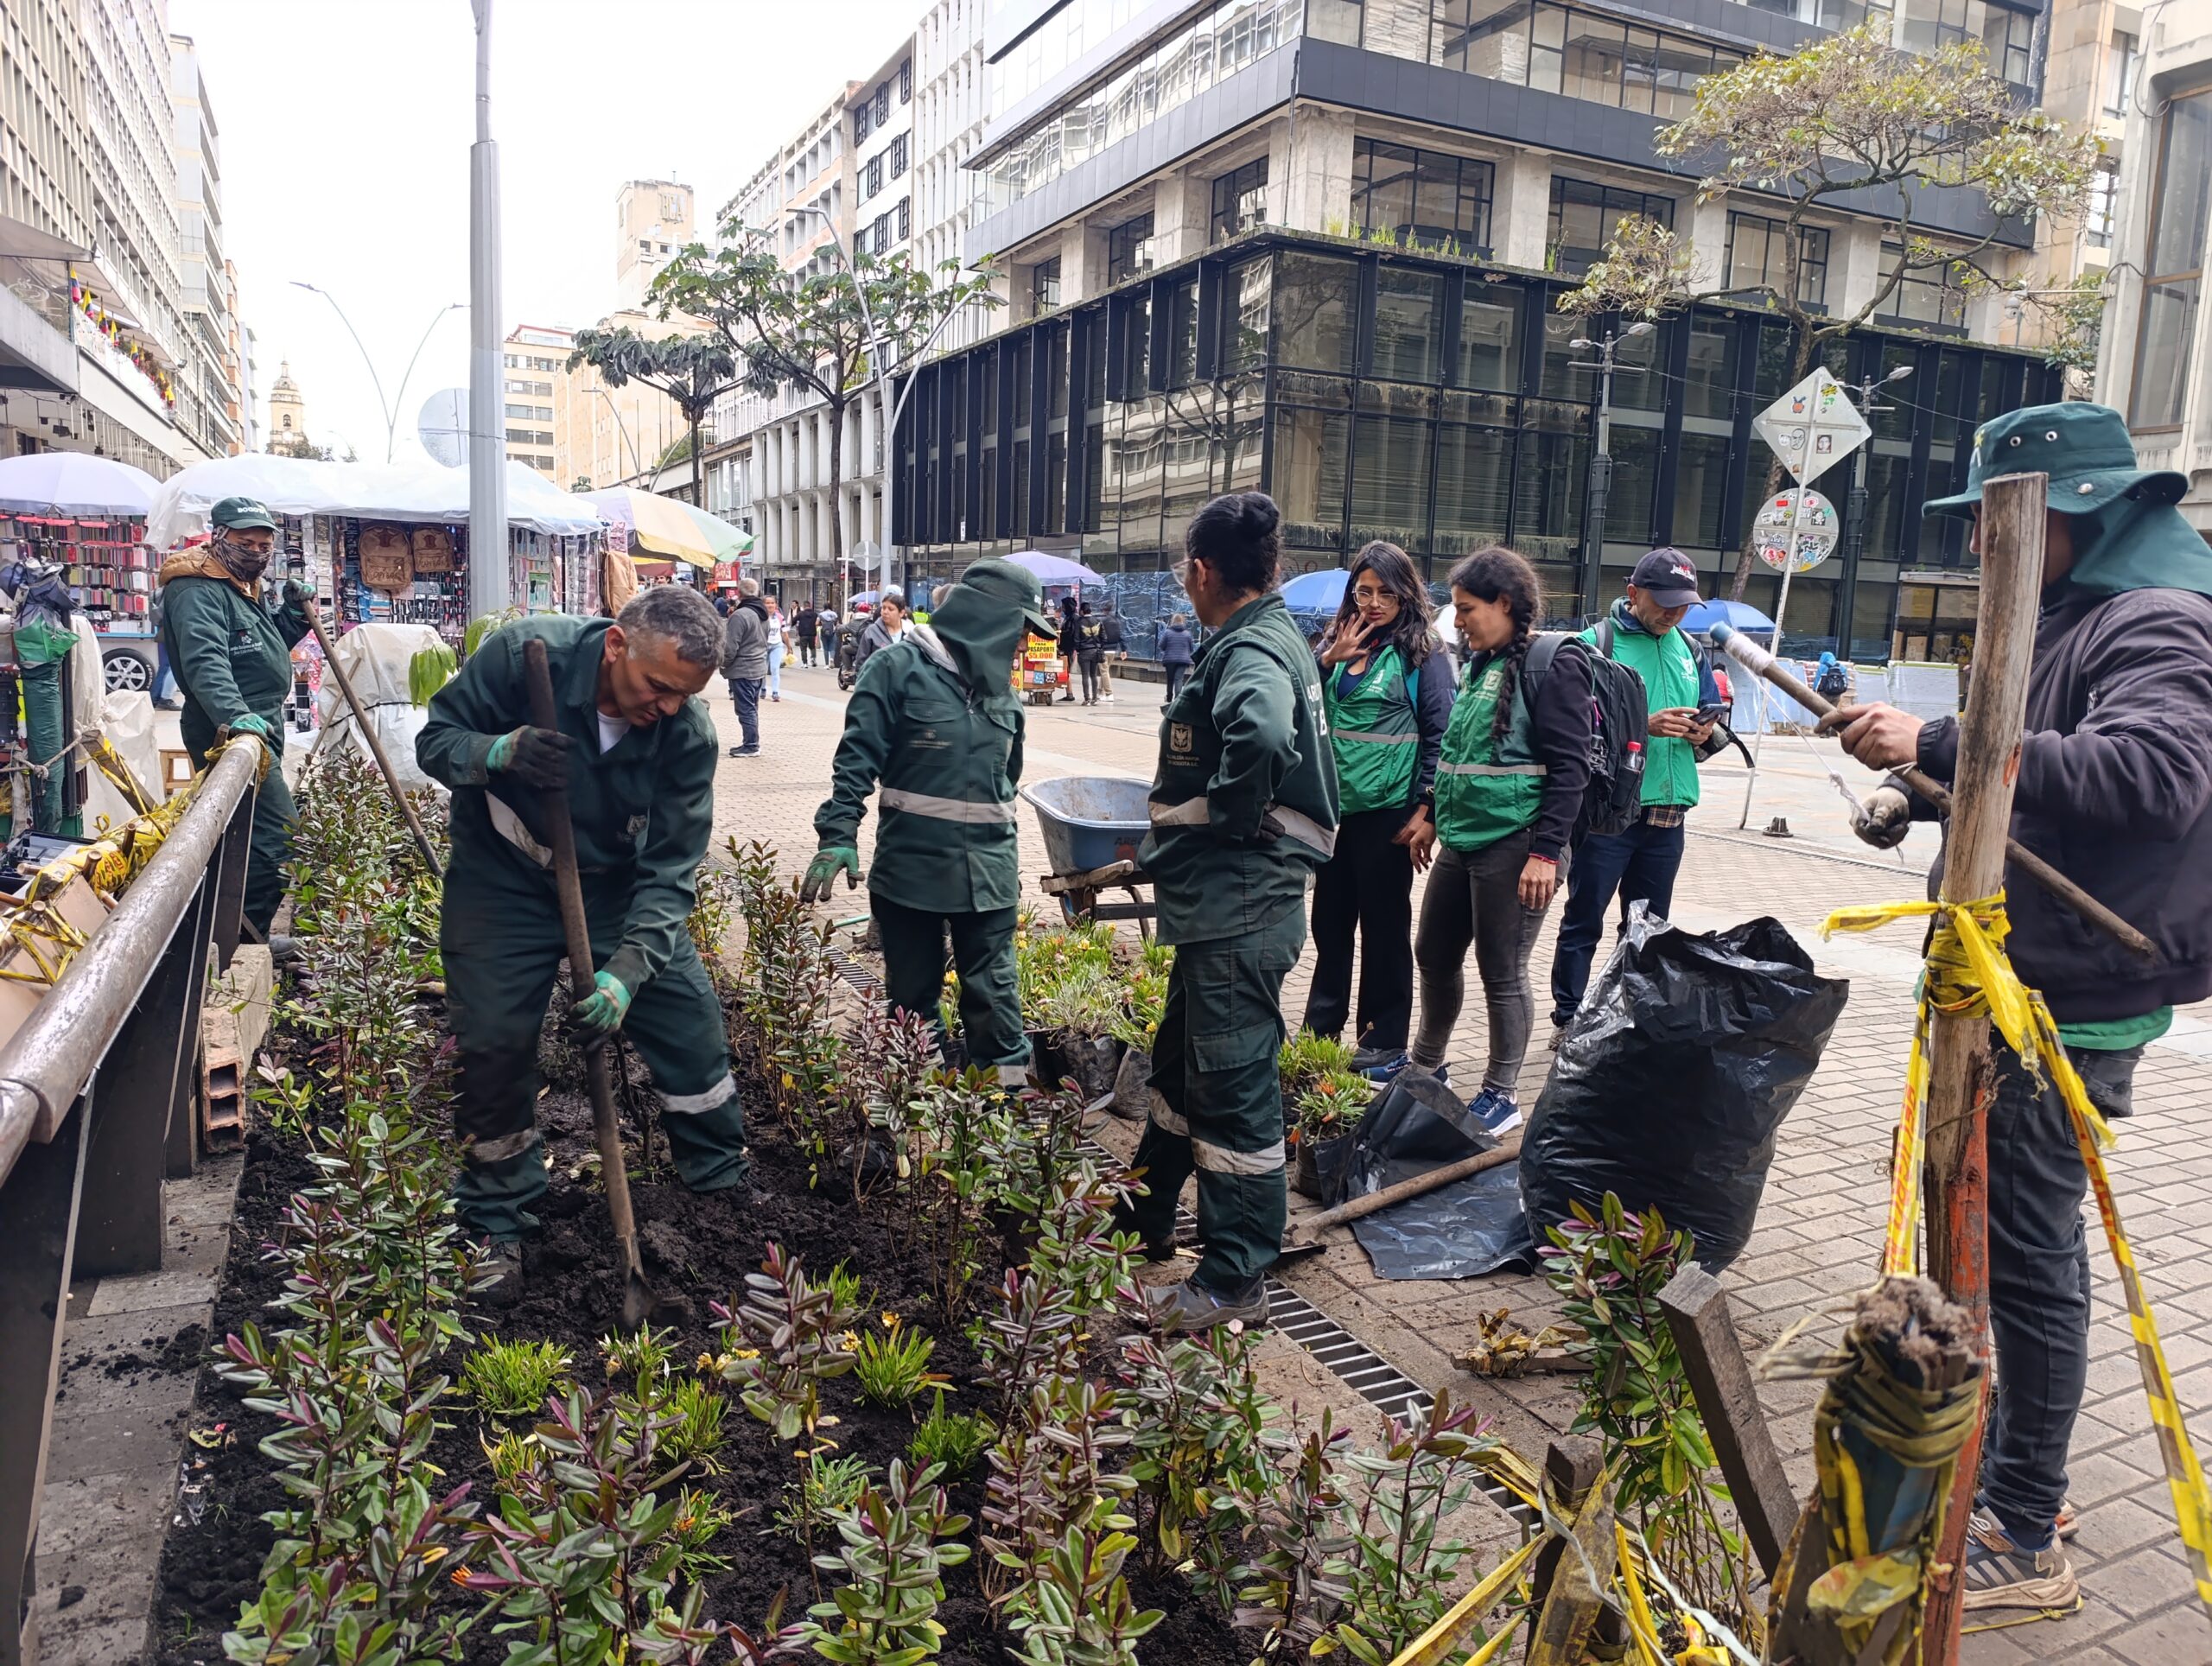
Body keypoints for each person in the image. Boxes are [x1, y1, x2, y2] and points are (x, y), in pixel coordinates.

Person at [1827, 404, 2212, 1612]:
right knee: (1994, 1251)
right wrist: (1929, 793)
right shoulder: (2074, 615)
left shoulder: (2155, 618)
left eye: (1998, 530)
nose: (1981, 554)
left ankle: (2026, 1527)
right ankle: (2009, 1472)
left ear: (2066, 516)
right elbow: (2041, 782)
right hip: (2018, 981)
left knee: (2032, 1269)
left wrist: (1943, 735)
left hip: (2068, 1008)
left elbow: (2155, 777)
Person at [416, 586, 744, 1301]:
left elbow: (671, 873)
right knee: (495, 1040)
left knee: (691, 1025)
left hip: (617, 887)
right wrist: (497, 751)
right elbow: (435, 743)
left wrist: (625, 976)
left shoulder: (686, 735)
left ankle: (720, 1187)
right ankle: (500, 1214)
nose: (663, 708)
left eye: (680, 698)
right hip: (502, 877)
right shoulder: (520, 658)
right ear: (617, 645)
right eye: (657, 688)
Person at [1122, 491, 1339, 1332]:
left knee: (1235, 1086)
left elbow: (1259, 731)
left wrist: (1228, 813)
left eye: (1186, 570)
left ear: (1202, 570)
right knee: (1180, 1067)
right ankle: (1142, 1214)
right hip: (1226, 907)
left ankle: (1232, 1272)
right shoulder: (1274, 635)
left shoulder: (1249, 651)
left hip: (1241, 905)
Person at [801, 559, 1059, 1083]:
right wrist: (838, 834)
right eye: (1020, 630)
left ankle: (1003, 1105)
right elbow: (856, 759)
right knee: (913, 1000)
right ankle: (922, 1106)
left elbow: (1006, 782)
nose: (1023, 645)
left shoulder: (1002, 694)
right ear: (987, 619)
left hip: (989, 877)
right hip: (911, 876)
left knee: (995, 996)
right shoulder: (895, 671)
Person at [1408, 550, 1592, 1128]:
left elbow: (1572, 769)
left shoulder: (1552, 662)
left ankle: (1502, 1093)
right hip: (1464, 837)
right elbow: (1460, 755)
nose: (1457, 621)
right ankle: (1427, 1065)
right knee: (1433, 953)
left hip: (1519, 841)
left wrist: (1544, 854)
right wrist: (1433, 816)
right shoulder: (1483, 664)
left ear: (1505, 604)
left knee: (1502, 968)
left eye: (1466, 609)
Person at [1548, 548, 1720, 1033]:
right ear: (1632, 594)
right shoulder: (1592, 645)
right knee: (1584, 919)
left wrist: (1705, 731)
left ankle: (1630, 1019)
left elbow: (1710, 712)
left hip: (1669, 813)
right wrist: (1642, 727)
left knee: (1648, 928)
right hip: (1608, 814)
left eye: (1684, 604)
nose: (1674, 612)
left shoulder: (1689, 648)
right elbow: (1565, 727)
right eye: (1665, 601)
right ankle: (1570, 1020)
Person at [1301, 541, 1453, 1078]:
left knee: (1386, 931)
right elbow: (1304, 711)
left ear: (1406, 594)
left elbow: (1443, 733)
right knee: (1329, 925)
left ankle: (1381, 1043)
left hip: (1390, 818)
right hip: (1334, 814)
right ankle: (1320, 1032)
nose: (1373, 603)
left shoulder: (1423, 653)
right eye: (1363, 592)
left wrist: (1427, 808)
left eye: (1386, 592)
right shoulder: (1334, 643)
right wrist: (1326, 662)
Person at [158, 495, 310, 940]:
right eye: (247, 542)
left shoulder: (240, 583)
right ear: (219, 537)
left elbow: (258, 649)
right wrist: (236, 716)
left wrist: (293, 617)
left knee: (240, 839)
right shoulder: (196, 590)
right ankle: (240, 942)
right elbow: (207, 663)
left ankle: (233, 936)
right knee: (281, 842)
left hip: (261, 724)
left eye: (265, 546)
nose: (257, 553)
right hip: (227, 729)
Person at [720, 577, 770, 759]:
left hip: (743, 668)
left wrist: (723, 662)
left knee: (746, 709)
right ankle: (751, 742)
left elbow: (730, 647)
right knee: (752, 707)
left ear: (739, 594)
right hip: (758, 667)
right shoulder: (762, 613)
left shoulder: (740, 616)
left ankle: (751, 745)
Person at [854, 592, 906, 671]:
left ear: (901, 613)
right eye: (883, 608)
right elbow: (861, 663)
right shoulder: (871, 632)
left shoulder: (910, 633)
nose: (885, 612)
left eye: (890, 609)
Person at [1158, 612, 1196, 703]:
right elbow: (1191, 648)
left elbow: (1161, 645)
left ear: (1172, 621)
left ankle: (1169, 697)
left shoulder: (1168, 633)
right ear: (1183, 621)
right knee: (1179, 679)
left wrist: (1166, 649)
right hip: (1183, 660)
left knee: (1170, 679)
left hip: (1170, 660)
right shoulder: (1187, 634)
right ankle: (1178, 699)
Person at [1075, 601, 1105, 705]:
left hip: (1084, 651)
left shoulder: (1079, 622)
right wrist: (1099, 646)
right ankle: (1095, 698)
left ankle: (1087, 698)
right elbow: (1104, 637)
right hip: (1096, 651)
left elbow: (1076, 639)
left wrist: (1078, 650)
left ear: (1082, 611)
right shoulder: (1098, 621)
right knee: (1093, 675)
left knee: (1085, 675)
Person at [1096, 601, 1125, 703]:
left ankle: (1109, 693)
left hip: (1104, 649)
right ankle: (1100, 692)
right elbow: (1121, 635)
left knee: (1104, 671)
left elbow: (1098, 635)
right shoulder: (1116, 621)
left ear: (1103, 610)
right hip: (1113, 650)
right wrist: (1124, 649)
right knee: (1105, 671)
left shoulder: (1101, 620)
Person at [1058, 595, 1082, 702]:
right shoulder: (1068, 618)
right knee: (1065, 670)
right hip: (1065, 647)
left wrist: (1061, 633)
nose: (1062, 608)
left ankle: (1070, 693)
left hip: (1069, 648)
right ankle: (1069, 693)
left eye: (1063, 606)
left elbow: (1072, 634)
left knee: (1066, 670)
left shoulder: (1074, 618)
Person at [764, 595, 786, 703]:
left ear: (776, 604)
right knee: (762, 670)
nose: (770, 605)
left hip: (777, 645)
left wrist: (789, 647)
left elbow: (784, 632)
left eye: (772, 603)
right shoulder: (761, 617)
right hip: (763, 646)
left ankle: (775, 692)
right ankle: (762, 689)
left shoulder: (780, 617)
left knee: (774, 669)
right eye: (767, 603)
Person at [795, 603, 821, 667]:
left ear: (804, 607)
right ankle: (813, 659)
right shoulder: (815, 614)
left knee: (803, 649)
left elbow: (794, 620)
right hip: (812, 634)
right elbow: (818, 622)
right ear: (810, 606)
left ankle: (805, 663)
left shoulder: (800, 614)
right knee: (812, 647)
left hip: (803, 634)